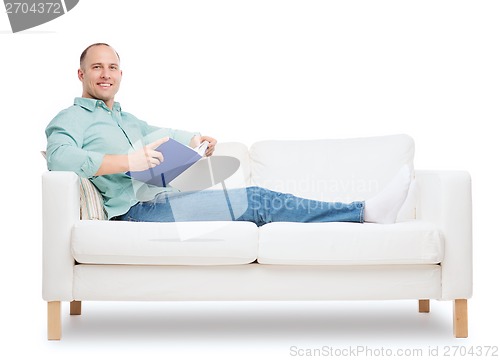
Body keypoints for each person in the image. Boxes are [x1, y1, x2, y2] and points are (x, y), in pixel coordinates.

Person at [45, 43, 410, 225]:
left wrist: (194, 139)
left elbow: (158, 132)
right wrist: (127, 161)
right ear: (81, 75)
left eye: (113, 67)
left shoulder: (124, 117)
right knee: (256, 199)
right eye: (97, 67)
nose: (106, 74)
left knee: (255, 199)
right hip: (134, 213)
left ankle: (360, 212)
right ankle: (363, 213)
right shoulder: (70, 118)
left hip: (160, 198)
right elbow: (61, 158)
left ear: (121, 75)